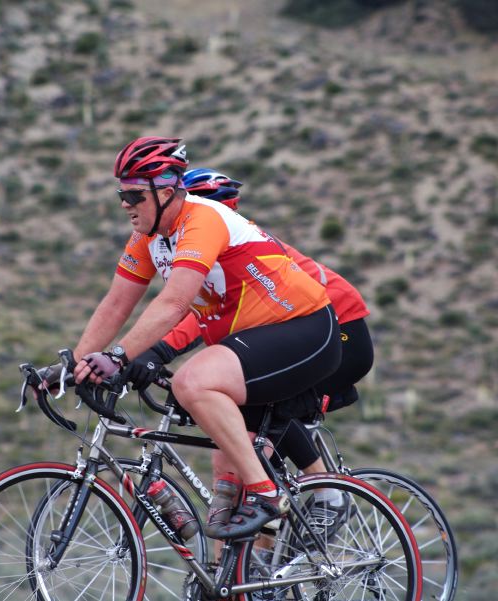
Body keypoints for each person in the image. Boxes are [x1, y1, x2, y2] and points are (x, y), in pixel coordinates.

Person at [71, 137, 342, 539]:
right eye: (120, 195)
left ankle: (269, 496)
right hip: (253, 339)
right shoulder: (150, 237)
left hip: (304, 329)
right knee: (223, 470)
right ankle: (254, 577)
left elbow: (176, 301)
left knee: (192, 381)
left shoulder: (202, 219)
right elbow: (115, 304)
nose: (125, 204)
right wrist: (73, 364)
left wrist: (117, 356)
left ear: (166, 193)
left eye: (133, 195)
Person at [126, 167, 375, 536]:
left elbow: (192, 320)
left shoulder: (230, 248)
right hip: (291, 337)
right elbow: (202, 314)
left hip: (342, 333)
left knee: (269, 407)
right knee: (236, 433)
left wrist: (158, 351)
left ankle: (327, 493)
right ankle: (248, 568)